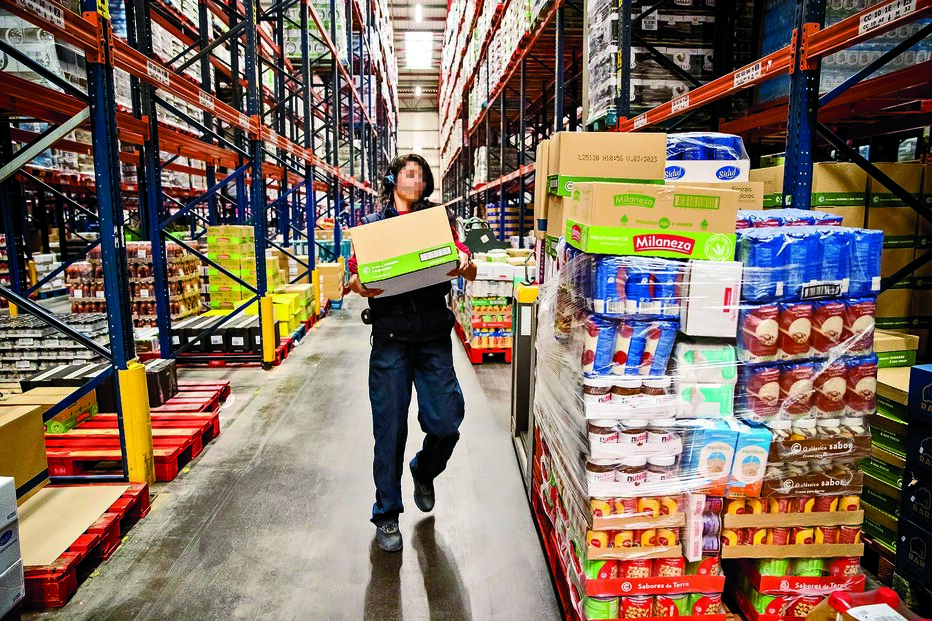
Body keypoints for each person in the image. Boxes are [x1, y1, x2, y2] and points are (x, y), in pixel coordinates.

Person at [347, 154, 478, 553]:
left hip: (434, 336)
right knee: (389, 429)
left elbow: (467, 266)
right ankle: (387, 513)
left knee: (446, 421)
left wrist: (465, 264)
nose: (415, 178)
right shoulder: (373, 228)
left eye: (421, 174)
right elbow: (354, 276)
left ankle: (424, 469)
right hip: (390, 337)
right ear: (392, 179)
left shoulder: (438, 222)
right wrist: (359, 285)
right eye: (408, 172)